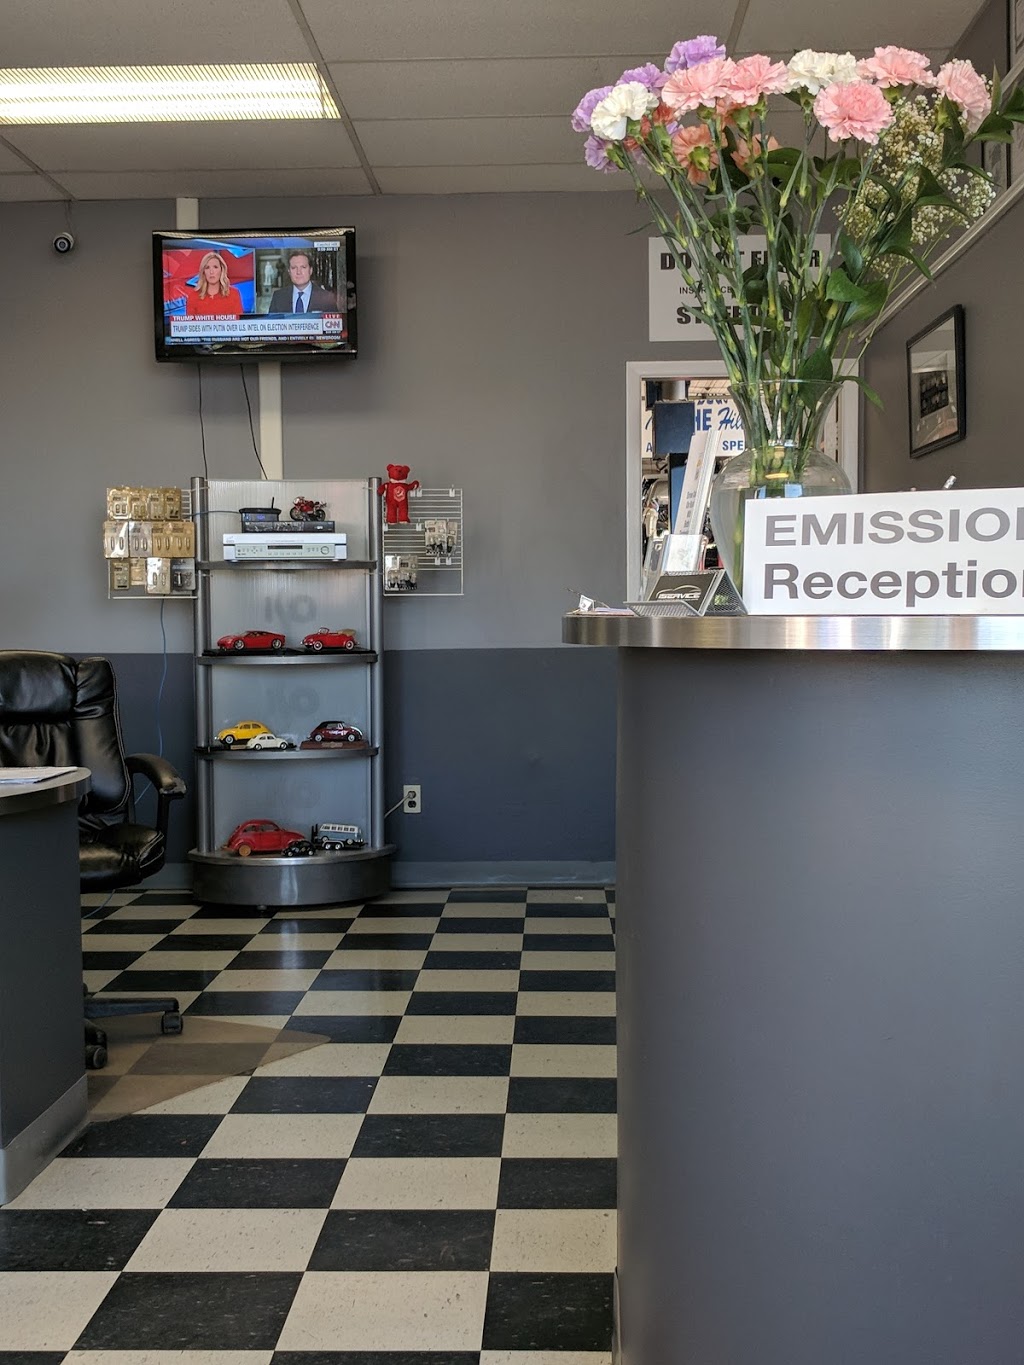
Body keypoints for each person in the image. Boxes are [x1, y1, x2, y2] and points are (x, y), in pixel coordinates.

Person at [268, 249, 337, 313]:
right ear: (289, 271)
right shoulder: (278, 297)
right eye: (294, 268)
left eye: (303, 267)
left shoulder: (327, 298)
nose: (298, 272)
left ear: (310, 270)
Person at [185, 251, 244, 317]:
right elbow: (190, 322)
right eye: (207, 268)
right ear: (203, 272)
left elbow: (238, 321)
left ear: (221, 270)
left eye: (215, 267)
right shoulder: (193, 296)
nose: (211, 272)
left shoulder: (233, 294)